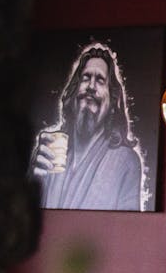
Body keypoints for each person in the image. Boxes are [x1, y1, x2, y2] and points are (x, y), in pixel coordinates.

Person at [30, 42, 148, 211]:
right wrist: (31, 177)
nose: (91, 86)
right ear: (74, 91)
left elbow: (128, 228)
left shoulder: (125, 162)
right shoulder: (49, 152)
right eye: (86, 78)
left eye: (100, 81)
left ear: (113, 101)